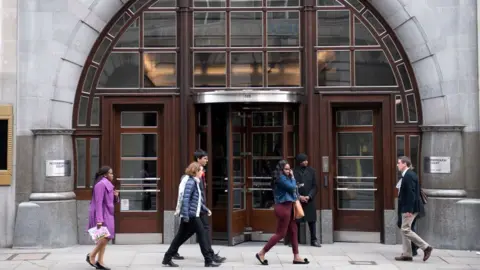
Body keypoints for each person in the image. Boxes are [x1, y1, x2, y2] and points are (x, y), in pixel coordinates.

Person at [162, 162, 220, 267]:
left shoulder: (194, 181)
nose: (202, 172)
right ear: (196, 171)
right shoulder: (191, 182)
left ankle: (167, 258)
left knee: (180, 237)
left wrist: (206, 209)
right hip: (191, 215)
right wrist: (186, 216)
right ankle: (208, 261)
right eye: (201, 170)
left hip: (190, 214)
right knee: (202, 234)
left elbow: (196, 201)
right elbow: (185, 200)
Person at [173, 150, 226, 263]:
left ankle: (172, 251)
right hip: (195, 209)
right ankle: (210, 256)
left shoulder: (201, 172)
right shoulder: (192, 174)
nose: (207, 160)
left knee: (187, 232)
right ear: (198, 159)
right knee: (204, 230)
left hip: (198, 207)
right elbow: (188, 195)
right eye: (205, 158)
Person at [256, 160, 309, 266]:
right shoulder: (280, 179)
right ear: (281, 169)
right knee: (281, 233)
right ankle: (261, 253)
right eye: (286, 169)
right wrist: (293, 178)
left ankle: (296, 256)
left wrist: (299, 197)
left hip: (289, 207)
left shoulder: (285, 178)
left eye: (289, 169)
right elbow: (292, 187)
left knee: (294, 230)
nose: (289, 171)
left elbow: (293, 192)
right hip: (283, 208)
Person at [395, 156, 433, 262]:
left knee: (405, 229)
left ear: (404, 164)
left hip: (410, 208)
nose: (397, 165)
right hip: (407, 207)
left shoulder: (409, 175)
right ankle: (407, 254)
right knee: (405, 229)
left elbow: (411, 194)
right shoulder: (407, 175)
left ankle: (426, 247)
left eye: (399, 163)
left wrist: (409, 210)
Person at [86, 166, 119, 270]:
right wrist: (99, 219)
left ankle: (100, 261)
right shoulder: (100, 185)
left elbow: (111, 201)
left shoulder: (108, 185)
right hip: (101, 213)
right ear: (105, 175)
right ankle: (92, 255)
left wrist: (116, 196)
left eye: (112, 173)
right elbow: (98, 202)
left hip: (108, 213)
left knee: (103, 238)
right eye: (110, 173)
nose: (112, 175)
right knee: (106, 237)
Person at [293, 153, 320, 247]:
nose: (306, 162)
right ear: (300, 162)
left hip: (309, 200)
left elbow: (315, 186)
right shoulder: (294, 172)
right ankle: (295, 240)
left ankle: (314, 240)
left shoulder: (312, 171)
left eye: (306, 160)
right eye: (304, 160)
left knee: (312, 220)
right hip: (298, 200)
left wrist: (309, 196)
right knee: (296, 221)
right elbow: (292, 186)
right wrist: (299, 196)